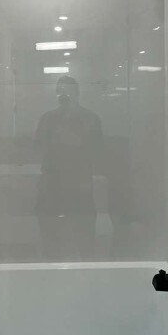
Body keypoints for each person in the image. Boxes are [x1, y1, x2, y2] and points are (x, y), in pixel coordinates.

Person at [34, 76, 103, 260]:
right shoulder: (48, 119)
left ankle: (86, 269)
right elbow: (39, 148)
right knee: (50, 237)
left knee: (84, 237)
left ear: (77, 93)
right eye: (60, 91)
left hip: (79, 185)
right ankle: (52, 268)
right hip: (53, 185)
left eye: (67, 91)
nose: (63, 95)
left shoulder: (89, 119)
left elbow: (97, 151)